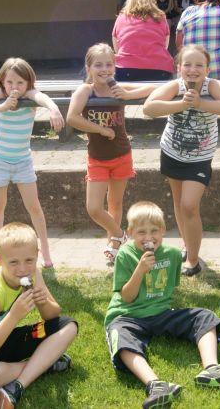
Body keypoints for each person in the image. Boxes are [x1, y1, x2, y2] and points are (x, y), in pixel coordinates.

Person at [105, 201, 220, 409]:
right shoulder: (126, 255)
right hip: (128, 315)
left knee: (204, 316)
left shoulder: (172, 255)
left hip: (161, 313)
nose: (148, 237)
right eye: (141, 232)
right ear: (130, 233)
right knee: (120, 335)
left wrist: (174, 318)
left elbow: (169, 291)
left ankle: (212, 369)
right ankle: (155, 385)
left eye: (154, 230)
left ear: (163, 230)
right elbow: (126, 297)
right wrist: (140, 271)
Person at [0, 222, 78, 408]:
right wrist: (14, 316)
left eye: (29, 260)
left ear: (37, 255)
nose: (22, 269)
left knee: (67, 325)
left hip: (4, 341)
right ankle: (45, 365)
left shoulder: (33, 274)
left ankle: (16, 384)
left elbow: (53, 316)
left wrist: (42, 301)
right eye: (13, 262)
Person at [143, 45, 220, 276]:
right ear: (179, 67)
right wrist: (182, 104)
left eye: (199, 65)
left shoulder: (213, 86)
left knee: (189, 205)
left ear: (207, 69)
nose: (193, 69)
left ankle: (193, 261)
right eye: (187, 64)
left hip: (200, 158)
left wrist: (200, 103)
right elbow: (149, 108)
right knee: (179, 204)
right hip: (172, 153)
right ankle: (187, 246)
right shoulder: (175, 86)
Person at [0, 58, 65, 268]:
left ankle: (45, 251)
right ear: (2, 81)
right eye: (10, 82)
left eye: (20, 82)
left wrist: (54, 109)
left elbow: (42, 97)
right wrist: (1, 106)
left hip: (23, 162)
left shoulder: (29, 94)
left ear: (28, 83)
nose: (14, 87)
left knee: (34, 207)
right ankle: (0, 252)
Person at [66, 43, 155, 266]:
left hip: (121, 154)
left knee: (115, 203)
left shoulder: (117, 87)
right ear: (88, 68)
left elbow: (152, 88)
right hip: (97, 158)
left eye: (109, 65)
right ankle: (120, 234)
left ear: (115, 67)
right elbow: (72, 117)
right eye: (98, 65)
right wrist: (100, 129)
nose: (104, 69)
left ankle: (113, 247)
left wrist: (127, 94)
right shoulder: (86, 91)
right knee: (94, 208)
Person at [113, 0, 174, 81]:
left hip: (126, 69)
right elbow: (165, 45)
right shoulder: (161, 18)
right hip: (160, 69)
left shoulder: (121, 18)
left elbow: (117, 48)